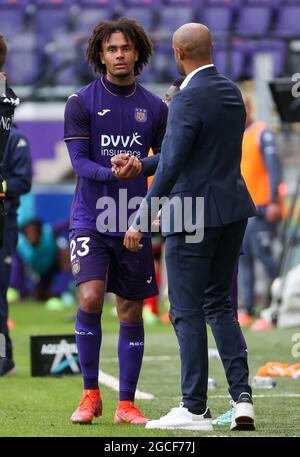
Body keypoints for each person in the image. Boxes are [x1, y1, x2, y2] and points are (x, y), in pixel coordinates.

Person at [124, 23, 257, 431]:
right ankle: (243, 399)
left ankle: (194, 407)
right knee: (221, 306)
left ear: (178, 53)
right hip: (232, 209)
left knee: (184, 309)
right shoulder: (232, 92)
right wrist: (140, 163)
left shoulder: (185, 98)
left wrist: (142, 218)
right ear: (209, 49)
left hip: (191, 214)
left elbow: (176, 162)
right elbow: (198, 154)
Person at [64, 17, 168, 425]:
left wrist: (140, 164)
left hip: (132, 221)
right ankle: (91, 396)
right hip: (90, 217)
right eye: (112, 49)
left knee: (130, 309)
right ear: (100, 55)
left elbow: (166, 158)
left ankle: (126, 404)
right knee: (90, 297)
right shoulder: (81, 102)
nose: (119, 55)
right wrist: (117, 172)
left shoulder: (155, 107)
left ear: (137, 52)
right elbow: (79, 162)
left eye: (126, 48)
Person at [238, 97, 283, 327]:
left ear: (250, 108)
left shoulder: (262, 132)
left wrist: (275, 200)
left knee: (266, 256)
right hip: (244, 209)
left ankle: (281, 303)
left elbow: (274, 167)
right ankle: (246, 308)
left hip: (263, 207)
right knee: (244, 259)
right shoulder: (237, 134)